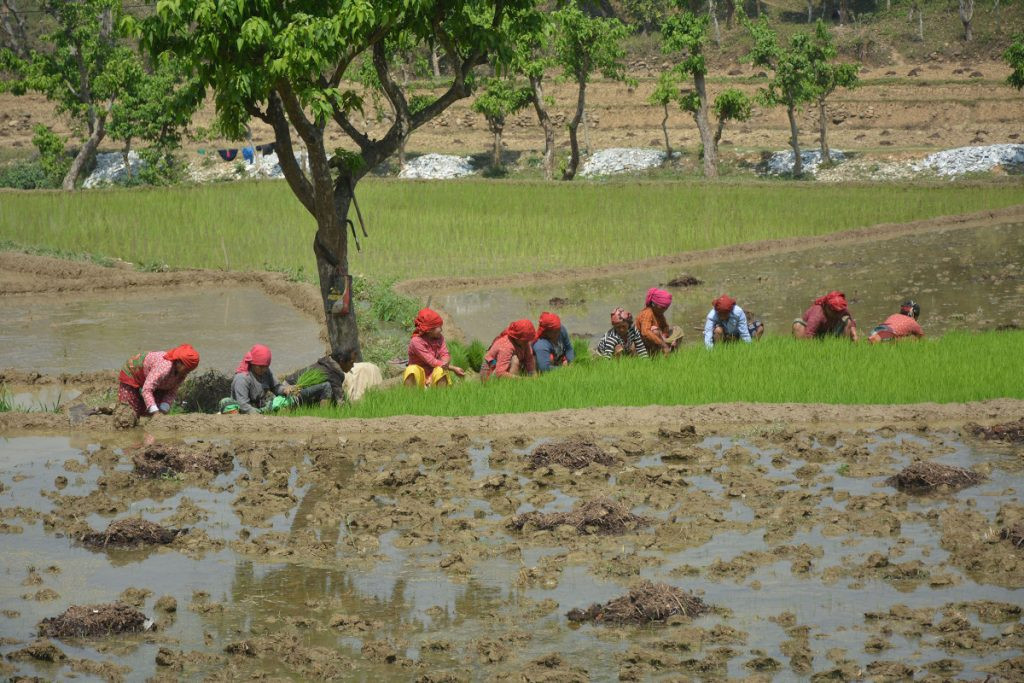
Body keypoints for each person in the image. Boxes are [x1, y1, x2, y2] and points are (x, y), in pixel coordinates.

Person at [117, 344, 200, 417]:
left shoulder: (182, 374)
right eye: (186, 369)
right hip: (133, 373)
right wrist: (155, 412)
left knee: (152, 410)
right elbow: (147, 389)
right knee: (130, 410)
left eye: (190, 371)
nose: (187, 373)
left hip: (154, 380)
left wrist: (163, 409)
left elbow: (171, 392)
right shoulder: (164, 367)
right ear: (178, 362)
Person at [403, 308, 465, 387]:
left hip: (433, 374)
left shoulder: (439, 338)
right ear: (429, 330)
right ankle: (410, 397)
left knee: (441, 370)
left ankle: (441, 397)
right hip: (419, 376)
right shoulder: (416, 341)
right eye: (439, 327)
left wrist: (445, 363)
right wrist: (453, 368)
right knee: (411, 369)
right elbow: (431, 361)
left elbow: (445, 354)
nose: (441, 329)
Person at [227, 344, 295, 414]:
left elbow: (275, 387)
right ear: (252, 363)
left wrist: (284, 390)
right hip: (242, 412)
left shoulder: (266, 372)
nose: (264, 369)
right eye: (260, 367)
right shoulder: (242, 379)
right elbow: (243, 405)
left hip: (259, 407)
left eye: (266, 366)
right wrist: (259, 413)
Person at [284, 349, 357, 404]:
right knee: (327, 387)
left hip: (286, 385)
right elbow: (340, 401)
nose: (353, 365)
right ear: (341, 361)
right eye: (351, 362)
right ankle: (323, 415)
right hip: (290, 392)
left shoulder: (325, 362)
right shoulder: (333, 372)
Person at [793, 290, 858, 342]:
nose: (837, 314)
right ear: (826, 306)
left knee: (848, 321)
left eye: (839, 312)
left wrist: (854, 335)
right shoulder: (817, 313)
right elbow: (809, 334)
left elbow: (852, 322)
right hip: (815, 335)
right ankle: (802, 348)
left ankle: (844, 347)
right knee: (797, 324)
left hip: (830, 333)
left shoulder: (842, 309)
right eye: (834, 311)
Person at [636, 287, 682, 355]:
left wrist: (665, 335)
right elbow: (645, 332)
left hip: (660, 339)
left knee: (677, 330)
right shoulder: (647, 313)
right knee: (655, 331)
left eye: (666, 307)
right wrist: (663, 344)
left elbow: (665, 326)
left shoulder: (659, 313)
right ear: (654, 304)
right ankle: (656, 355)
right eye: (663, 307)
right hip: (643, 342)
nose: (665, 310)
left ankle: (672, 352)